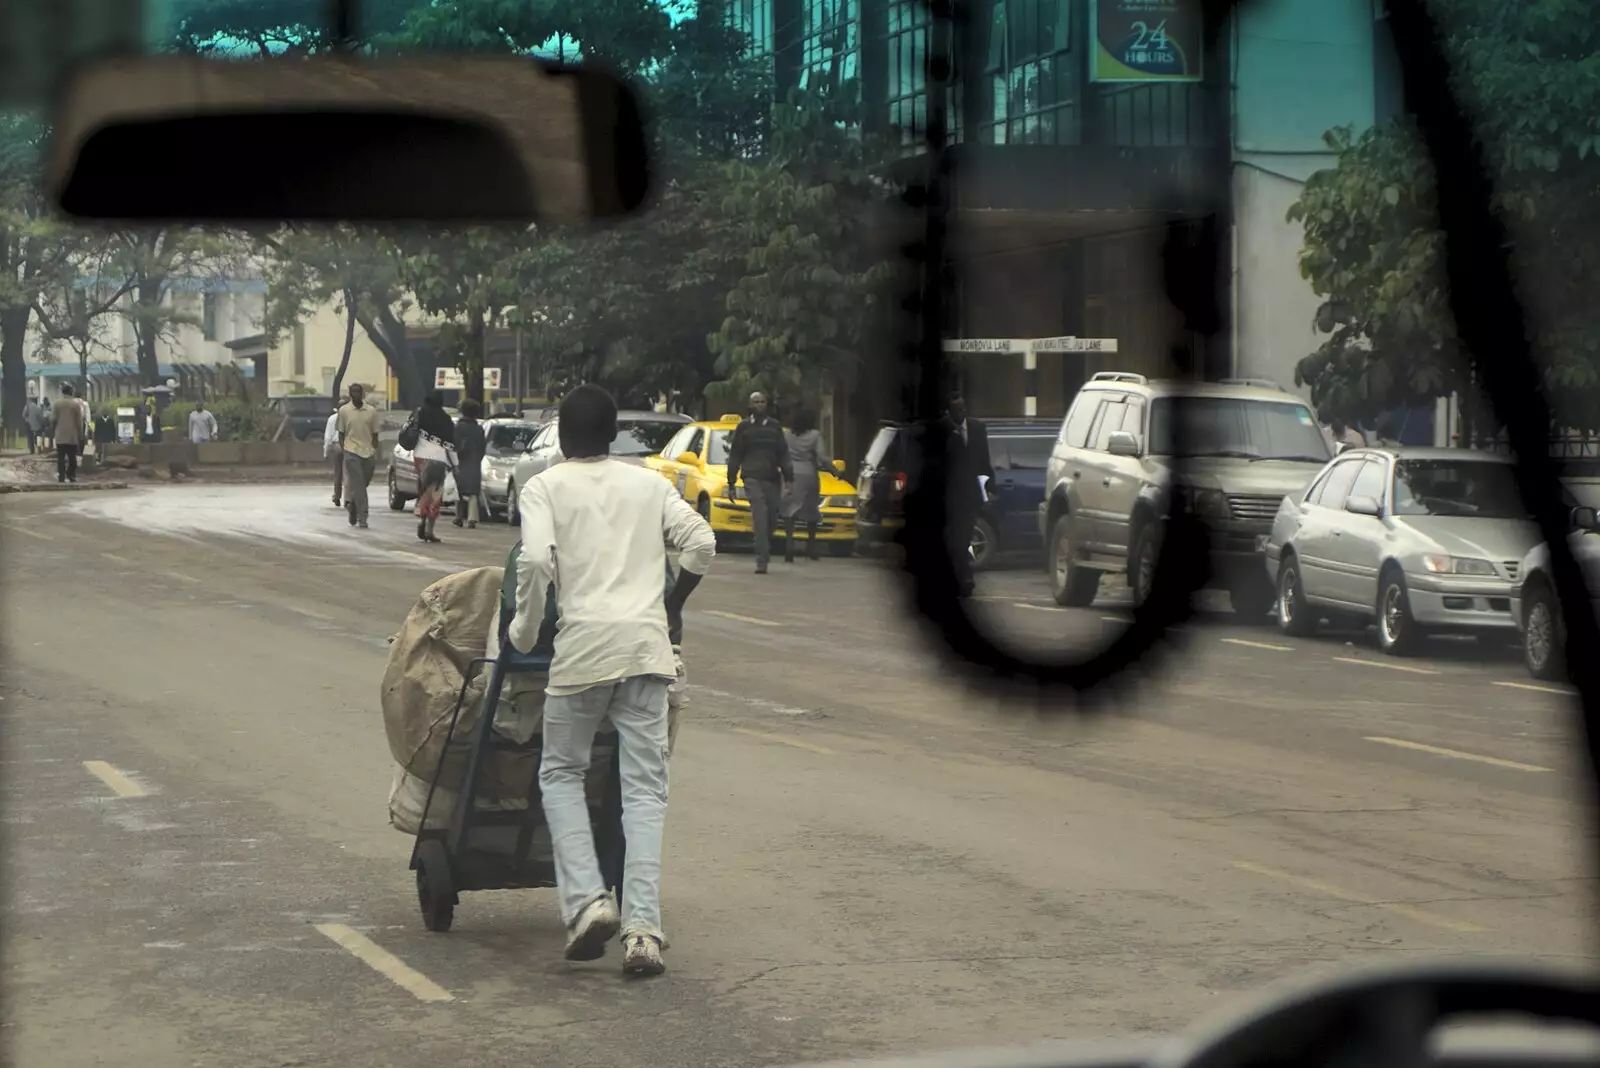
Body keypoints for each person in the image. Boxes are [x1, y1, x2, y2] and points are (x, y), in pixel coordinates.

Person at [508, 384, 716, 976]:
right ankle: (643, 932)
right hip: (648, 651)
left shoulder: (545, 485)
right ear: (612, 436)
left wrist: (524, 632)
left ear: (563, 438)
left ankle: (588, 903)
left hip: (583, 652)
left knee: (562, 772)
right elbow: (701, 542)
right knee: (645, 793)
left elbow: (537, 560)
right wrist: (673, 605)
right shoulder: (650, 484)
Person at [724, 390, 792, 574]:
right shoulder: (743, 427)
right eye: (756, 402)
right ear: (750, 405)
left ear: (767, 405)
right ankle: (762, 559)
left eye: (762, 402)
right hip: (751, 477)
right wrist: (731, 481)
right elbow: (735, 455)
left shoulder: (775, 427)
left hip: (772, 478)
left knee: (770, 519)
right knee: (760, 516)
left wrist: (789, 479)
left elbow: (783, 453)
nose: (760, 405)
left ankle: (764, 545)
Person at [944, 391, 994, 599]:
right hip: (948, 498)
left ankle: (964, 580)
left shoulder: (977, 428)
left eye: (964, 409)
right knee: (953, 541)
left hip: (970, 496)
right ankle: (960, 580)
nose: (962, 413)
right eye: (957, 410)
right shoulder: (943, 432)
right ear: (950, 412)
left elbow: (984, 460)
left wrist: (991, 487)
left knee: (964, 539)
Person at [781, 407, 832, 563]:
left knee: (790, 511)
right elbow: (822, 457)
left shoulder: (786, 435)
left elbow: (780, 453)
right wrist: (834, 470)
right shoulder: (815, 436)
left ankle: (789, 544)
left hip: (789, 474)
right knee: (811, 510)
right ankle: (811, 546)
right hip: (808, 474)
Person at [410, 391, 456, 544]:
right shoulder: (445, 419)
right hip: (438, 458)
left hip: (420, 456)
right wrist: (455, 464)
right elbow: (451, 444)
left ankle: (421, 518)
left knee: (424, 488)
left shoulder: (419, 413)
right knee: (435, 493)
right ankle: (429, 529)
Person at [335, 383, 381, 529]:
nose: (356, 394)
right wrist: (345, 450)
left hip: (368, 451)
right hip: (351, 451)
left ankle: (353, 505)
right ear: (350, 394)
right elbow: (341, 433)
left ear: (362, 394)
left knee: (363, 483)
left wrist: (374, 449)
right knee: (359, 484)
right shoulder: (344, 411)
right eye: (353, 392)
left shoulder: (371, 411)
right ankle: (363, 516)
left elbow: (375, 434)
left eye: (358, 392)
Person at [453, 398, 487, 530]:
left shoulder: (458, 427)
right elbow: (482, 446)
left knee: (459, 491)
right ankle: (472, 518)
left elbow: (453, 444)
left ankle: (459, 516)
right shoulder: (478, 428)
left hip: (460, 461)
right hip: (474, 462)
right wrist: (478, 458)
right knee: (473, 492)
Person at [52, 385, 87, 484]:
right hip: (72, 435)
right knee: (72, 457)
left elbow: (53, 419)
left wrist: (54, 431)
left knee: (61, 457)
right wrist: (80, 433)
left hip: (60, 434)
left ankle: (61, 476)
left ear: (62, 392)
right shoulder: (75, 405)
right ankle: (71, 475)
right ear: (71, 392)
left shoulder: (57, 404)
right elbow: (79, 421)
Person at [323, 404, 343, 508]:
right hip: (349, 446)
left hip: (336, 446)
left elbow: (328, 437)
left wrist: (326, 452)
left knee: (338, 473)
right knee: (350, 473)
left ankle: (337, 496)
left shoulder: (332, 419)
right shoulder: (350, 417)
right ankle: (351, 497)